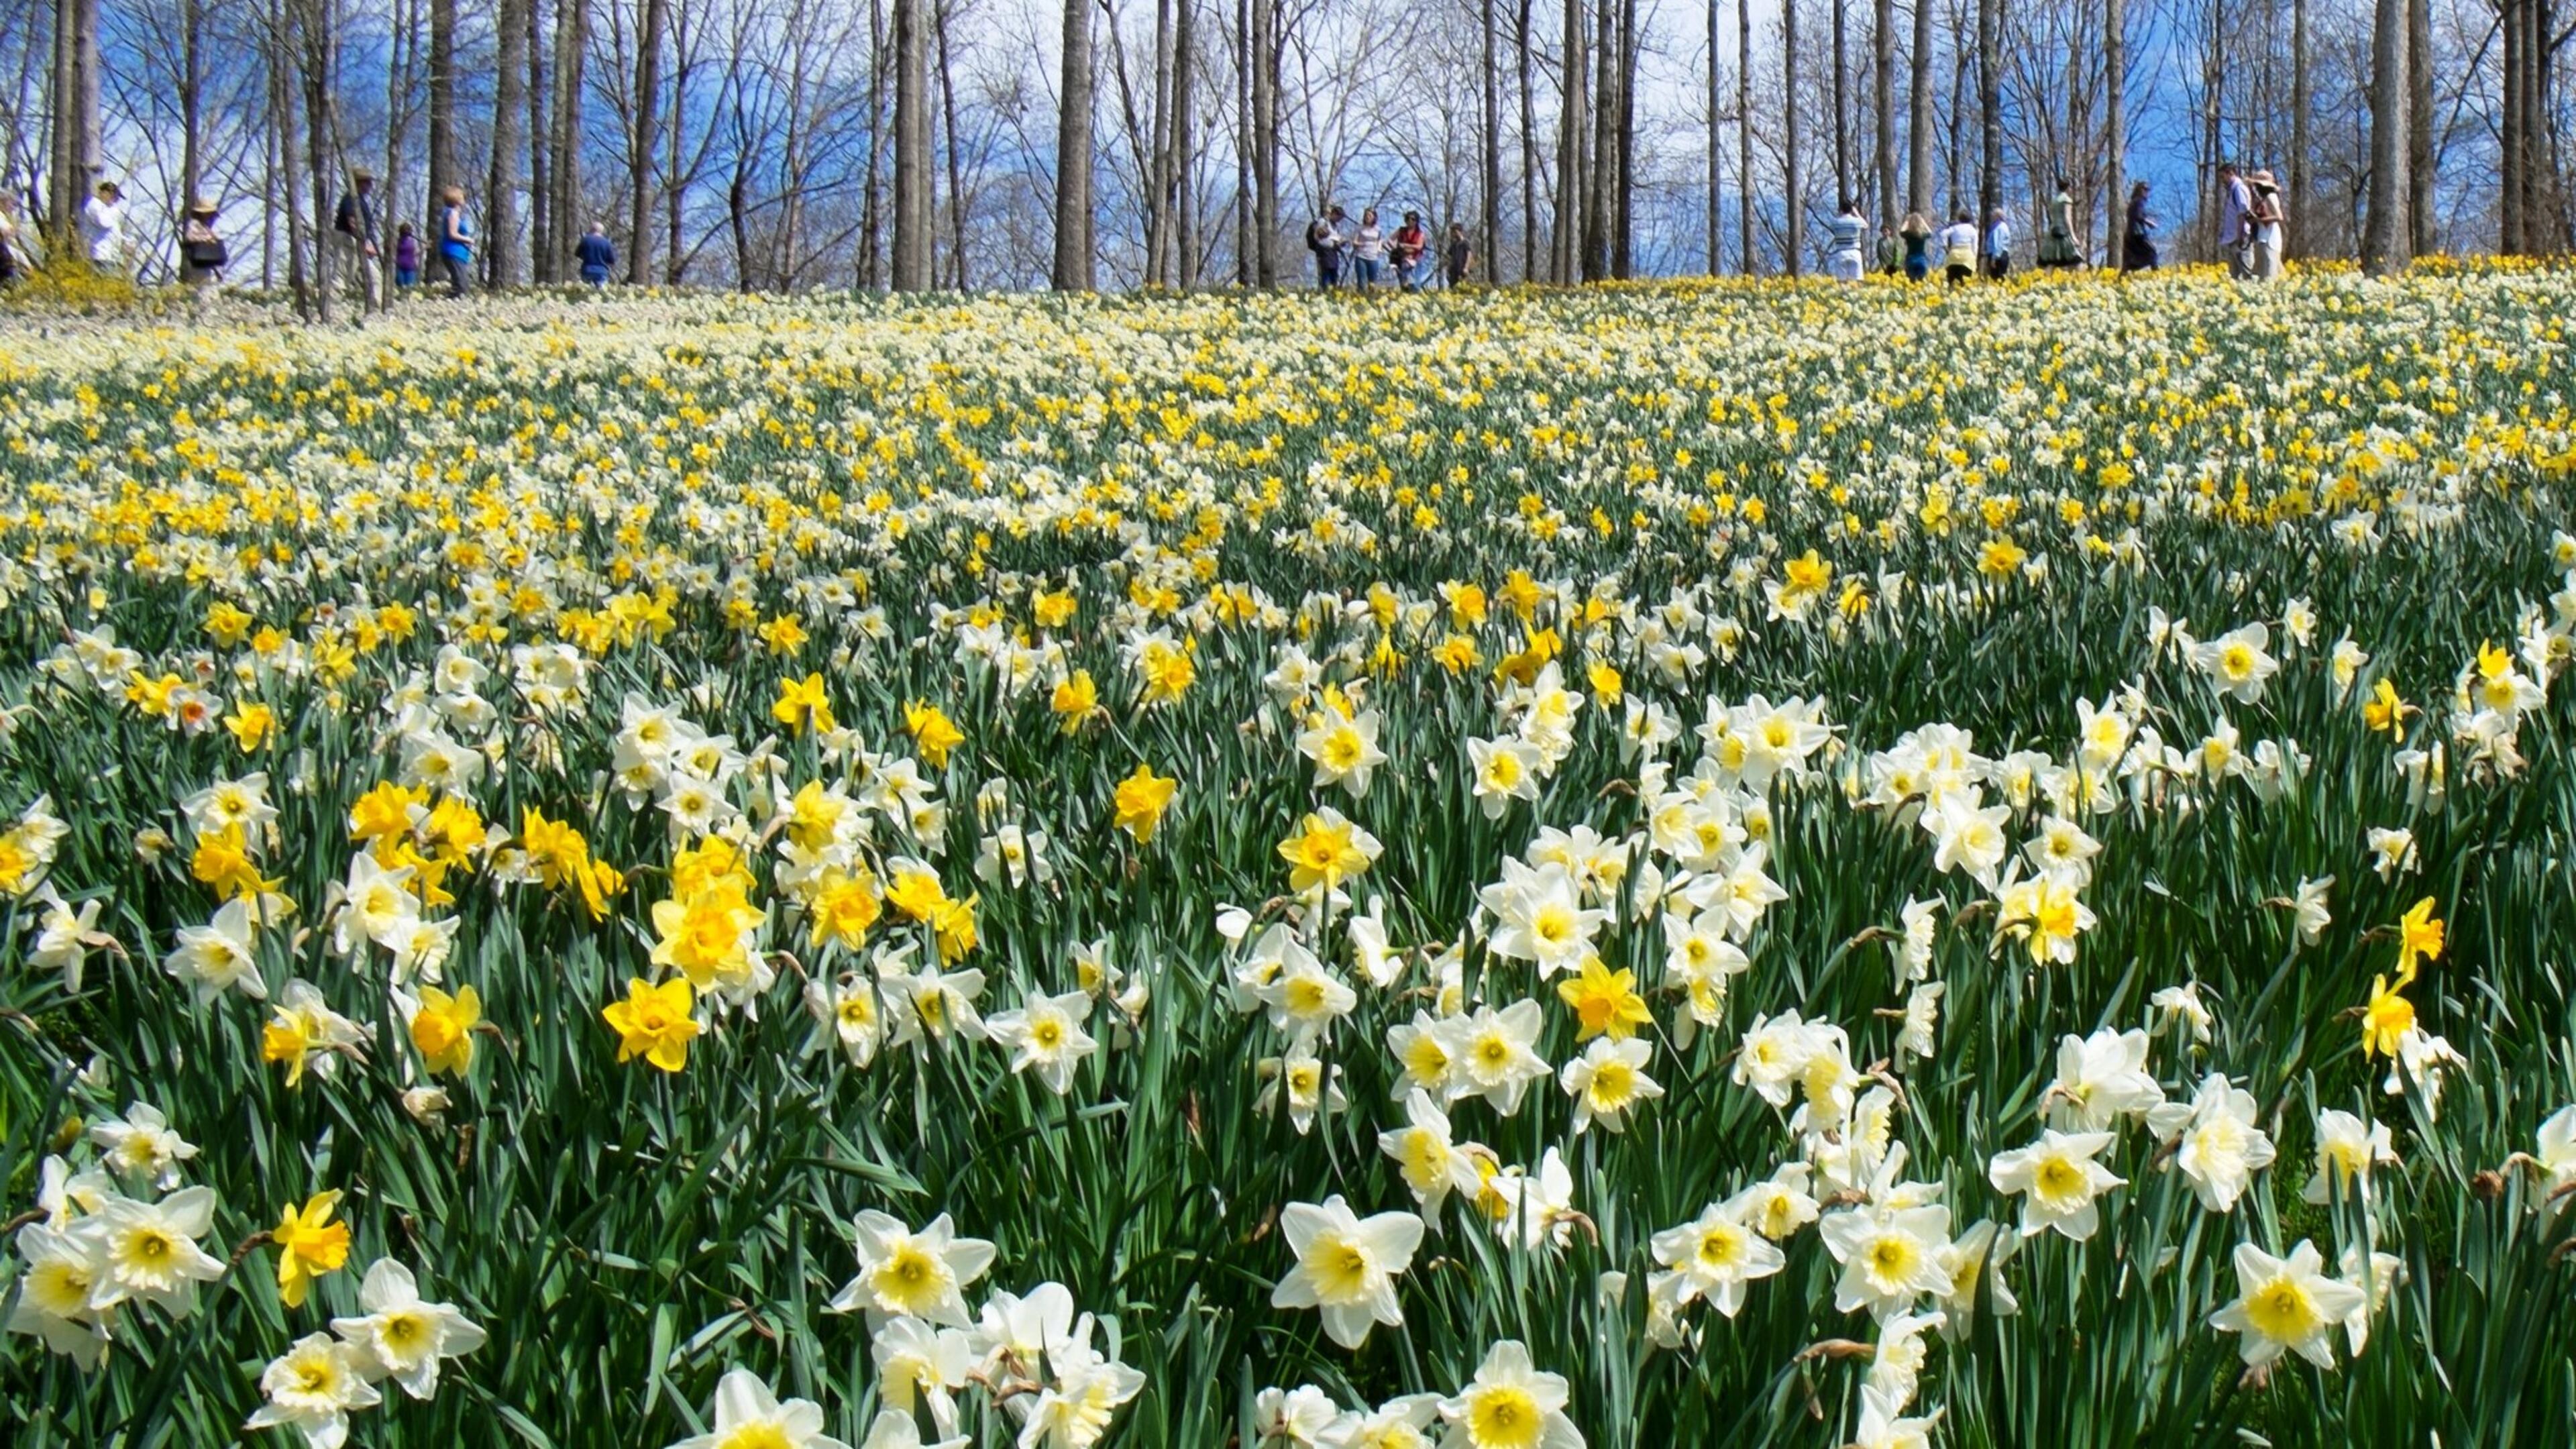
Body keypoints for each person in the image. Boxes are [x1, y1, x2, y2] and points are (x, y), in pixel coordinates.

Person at [333, 171, 382, 309]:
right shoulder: (350, 199)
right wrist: (365, 246)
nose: (371, 186)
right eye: (368, 183)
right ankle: (330, 310)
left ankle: (375, 308)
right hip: (348, 242)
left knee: (375, 278)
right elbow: (352, 222)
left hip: (358, 244)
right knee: (341, 280)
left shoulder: (360, 200)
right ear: (360, 183)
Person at [178, 197, 227, 289]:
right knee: (202, 289)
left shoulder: (206, 228)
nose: (211, 217)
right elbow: (190, 238)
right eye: (209, 214)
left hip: (207, 266)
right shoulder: (195, 225)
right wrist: (205, 240)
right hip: (199, 266)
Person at [437, 184, 476, 298]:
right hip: (453, 251)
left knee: (461, 283)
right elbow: (452, 234)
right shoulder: (452, 213)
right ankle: (450, 304)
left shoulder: (451, 213)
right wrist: (468, 239)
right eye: (462, 197)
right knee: (461, 286)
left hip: (458, 252)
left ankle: (454, 302)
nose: (464, 199)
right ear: (457, 199)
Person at [2247, 170, 2285, 281]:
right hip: (2263, 237)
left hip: (2270, 239)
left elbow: (2279, 217)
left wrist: (2258, 219)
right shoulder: (2264, 198)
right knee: (2261, 274)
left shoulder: (2270, 196)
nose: (2255, 187)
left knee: (2269, 274)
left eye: (2257, 185)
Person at [2217, 162, 2253, 278]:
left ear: (2230, 173)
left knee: (2246, 272)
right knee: (2235, 276)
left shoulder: (2239, 189)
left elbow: (2242, 213)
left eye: (2223, 177)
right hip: (2233, 238)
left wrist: (2240, 236)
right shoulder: (2233, 191)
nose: (2222, 181)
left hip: (2240, 238)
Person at [80, 180, 126, 270]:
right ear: (104, 193)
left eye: (116, 198)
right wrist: (114, 212)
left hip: (111, 257)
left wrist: (125, 241)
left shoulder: (108, 209)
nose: (114, 200)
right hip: (99, 255)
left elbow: (114, 232)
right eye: (113, 196)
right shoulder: (94, 204)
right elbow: (103, 222)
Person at [2039, 180, 2078, 269]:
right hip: (2063, 232)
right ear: (2068, 188)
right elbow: (2068, 218)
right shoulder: (2067, 200)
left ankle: (2045, 282)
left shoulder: (2054, 201)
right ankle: (2083, 281)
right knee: (2077, 259)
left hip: (2053, 231)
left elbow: (2053, 217)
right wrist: (2073, 236)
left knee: (2051, 261)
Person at [1825, 199, 1867, 282]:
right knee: (1857, 281)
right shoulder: (1856, 222)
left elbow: (1831, 226)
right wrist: (1857, 214)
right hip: (1855, 252)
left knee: (1842, 282)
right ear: (1851, 210)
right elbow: (1866, 225)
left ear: (1841, 210)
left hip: (1841, 252)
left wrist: (1840, 215)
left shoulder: (1836, 222)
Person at [2121, 182, 2159, 273]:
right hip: (2138, 233)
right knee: (2152, 252)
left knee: (2141, 256)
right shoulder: (2139, 201)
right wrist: (2149, 223)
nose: (2146, 192)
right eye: (2144, 189)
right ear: (2138, 190)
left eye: (2147, 190)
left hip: (2130, 235)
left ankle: (2127, 269)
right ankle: (2157, 275)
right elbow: (2138, 216)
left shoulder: (2133, 202)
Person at [1307, 207, 1348, 288]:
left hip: (1333, 252)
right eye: (1339, 217)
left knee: (1334, 275)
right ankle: (1326, 291)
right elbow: (1318, 238)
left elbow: (1335, 237)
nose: (1339, 220)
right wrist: (1333, 244)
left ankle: (1333, 291)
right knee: (1326, 274)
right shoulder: (1323, 222)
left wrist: (1341, 242)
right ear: (1334, 214)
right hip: (1325, 252)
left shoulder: (1335, 226)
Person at [1937, 211, 1979, 286]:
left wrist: (1945, 246)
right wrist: (1974, 256)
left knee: (1951, 281)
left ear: (1959, 219)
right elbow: (1975, 246)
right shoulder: (1972, 230)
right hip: (1967, 256)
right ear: (1970, 219)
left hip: (1954, 255)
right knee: (1965, 282)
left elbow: (1943, 234)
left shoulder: (1954, 228)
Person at [1391, 211, 1429, 291]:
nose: (1410, 221)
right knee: (1403, 278)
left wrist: (1405, 245)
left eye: (1413, 219)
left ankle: (1415, 292)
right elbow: (1390, 240)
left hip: (1417, 258)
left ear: (1416, 221)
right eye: (1408, 218)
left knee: (1416, 281)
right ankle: (1405, 292)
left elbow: (1419, 246)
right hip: (1403, 257)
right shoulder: (1401, 230)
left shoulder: (1420, 233)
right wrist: (1396, 247)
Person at [1351, 208, 1385, 291]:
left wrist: (1379, 249)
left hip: (1373, 257)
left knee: (1372, 282)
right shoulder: (1359, 228)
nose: (1367, 217)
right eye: (1366, 215)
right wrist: (1361, 244)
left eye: (1370, 215)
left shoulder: (1378, 229)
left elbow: (1380, 240)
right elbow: (1354, 242)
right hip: (1361, 256)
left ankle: (1371, 299)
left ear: (1374, 217)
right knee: (1362, 281)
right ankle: (1361, 296)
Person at [576, 222, 616, 286]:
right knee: (601, 294)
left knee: (585, 292)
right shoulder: (607, 243)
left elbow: (578, 254)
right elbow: (612, 260)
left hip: (587, 270)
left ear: (591, 229)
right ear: (602, 231)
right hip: (602, 271)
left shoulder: (585, 240)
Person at [1898, 212, 1933, 282]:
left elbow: (1901, 231)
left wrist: (1907, 221)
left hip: (1911, 260)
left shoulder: (1908, 234)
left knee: (1911, 282)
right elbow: (1930, 233)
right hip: (1921, 260)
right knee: (1921, 283)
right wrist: (1923, 222)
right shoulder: (1922, 235)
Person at [1983, 207, 2012, 281]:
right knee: (2000, 279)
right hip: (2001, 254)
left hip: (1998, 256)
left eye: (1993, 215)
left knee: (1996, 280)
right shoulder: (2002, 226)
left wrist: (1994, 259)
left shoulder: (1998, 227)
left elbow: (1998, 244)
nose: (1992, 217)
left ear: (1998, 216)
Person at [1442, 221, 1473, 288]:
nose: (1454, 234)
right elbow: (1449, 257)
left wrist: (1466, 267)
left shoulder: (1465, 243)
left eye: (1455, 232)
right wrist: (1447, 268)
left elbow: (1469, 255)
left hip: (1462, 269)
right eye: (1453, 232)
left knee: (1463, 287)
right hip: (1453, 270)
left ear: (1460, 232)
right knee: (1453, 287)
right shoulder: (1453, 244)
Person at [394, 223, 421, 290]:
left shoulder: (412, 241)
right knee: (401, 288)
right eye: (405, 230)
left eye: (408, 230)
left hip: (410, 267)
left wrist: (424, 248)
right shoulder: (397, 241)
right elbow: (393, 253)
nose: (407, 232)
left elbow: (415, 253)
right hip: (400, 267)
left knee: (409, 288)